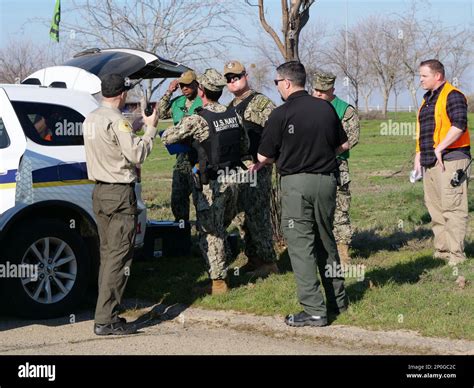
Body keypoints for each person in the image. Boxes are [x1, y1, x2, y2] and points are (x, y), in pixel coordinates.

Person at [252, 61, 349, 327]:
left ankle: (314, 310)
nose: (276, 88)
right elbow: (344, 144)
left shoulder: (281, 114)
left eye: (275, 83)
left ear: (285, 83)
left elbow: (264, 155)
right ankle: (338, 301)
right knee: (326, 241)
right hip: (326, 182)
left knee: (301, 247)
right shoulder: (326, 108)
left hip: (296, 185)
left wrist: (284, 156)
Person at [162, 69, 249, 295]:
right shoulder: (233, 115)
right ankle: (224, 263)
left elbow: (167, 138)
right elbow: (244, 145)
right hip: (233, 178)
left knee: (211, 232)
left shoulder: (198, 118)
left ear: (202, 90)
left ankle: (218, 282)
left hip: (211, 182)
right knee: (221, 225)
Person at [83, 73, 158, 335]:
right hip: (118, 193)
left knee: (107, 254)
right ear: (123, 94)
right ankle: (106, 320)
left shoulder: (91, 117)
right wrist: (150, 128)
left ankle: (104, 311)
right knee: (120, 255)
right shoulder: (117, 121)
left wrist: (133, 127)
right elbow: (136, 154)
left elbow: (112, 146)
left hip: (100, 192)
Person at [224, 60, 278, 277]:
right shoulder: (229, 107)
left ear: (246, 75)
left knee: (258, 215)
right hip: (238, 169)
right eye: (228, 78)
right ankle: (253, 259)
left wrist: (265, 161)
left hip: (257, 168)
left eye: (236, 76)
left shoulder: (261, 103)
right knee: (242, 218)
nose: (233, 81)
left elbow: (276, 133)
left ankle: (269, 262)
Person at [415, 59, 470, 266]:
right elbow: (424, 131)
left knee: (453, 209)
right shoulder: (427, 100)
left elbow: (459, 125)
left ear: (437, 76)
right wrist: (418, 155)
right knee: (436, 210)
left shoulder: (453, 95)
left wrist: (440, 147)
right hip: (431, 162)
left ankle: (457, 256)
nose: (420, 80)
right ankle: (442, 252)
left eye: (424, 76)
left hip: (452, 160)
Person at [312, 70, 360, 265]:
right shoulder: (309, 107)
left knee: (340, 209)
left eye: (322, 92)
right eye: (315, 90)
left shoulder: (344, 110)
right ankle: (319, 249)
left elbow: (352, 139)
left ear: (332, 89)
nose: (318, 94)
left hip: (337, 164)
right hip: (313, 166)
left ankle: (342, 250)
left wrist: (329, 152)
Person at [158, 70, 203, 222]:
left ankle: (205, 230)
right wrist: (169, 92)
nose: (184, 88)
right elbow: (161, 112)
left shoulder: (204, 102)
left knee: (201, 195)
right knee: (178, 196)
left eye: (188, 85)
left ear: (196, 84)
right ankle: (182, 228)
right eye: (182, 85)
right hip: (182, 156)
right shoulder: (178, 102)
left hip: (201, 155)